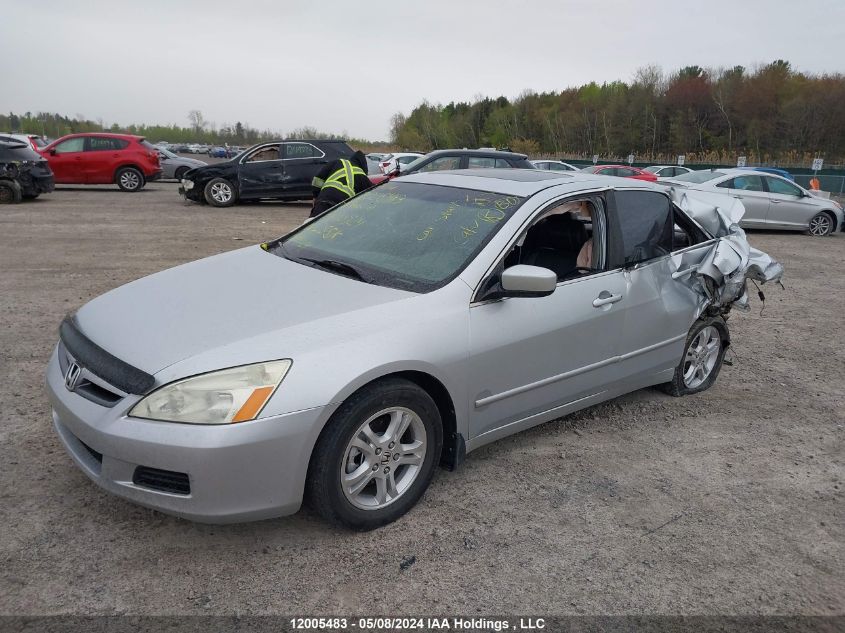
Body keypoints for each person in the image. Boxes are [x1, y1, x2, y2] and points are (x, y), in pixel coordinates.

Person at [310, 150, 372, 217]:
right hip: (342, 207)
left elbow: (317, 179)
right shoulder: (361, 175)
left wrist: (315, 195)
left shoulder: (337, 162)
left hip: (323, 199)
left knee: (312, 224)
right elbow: (372, 192)